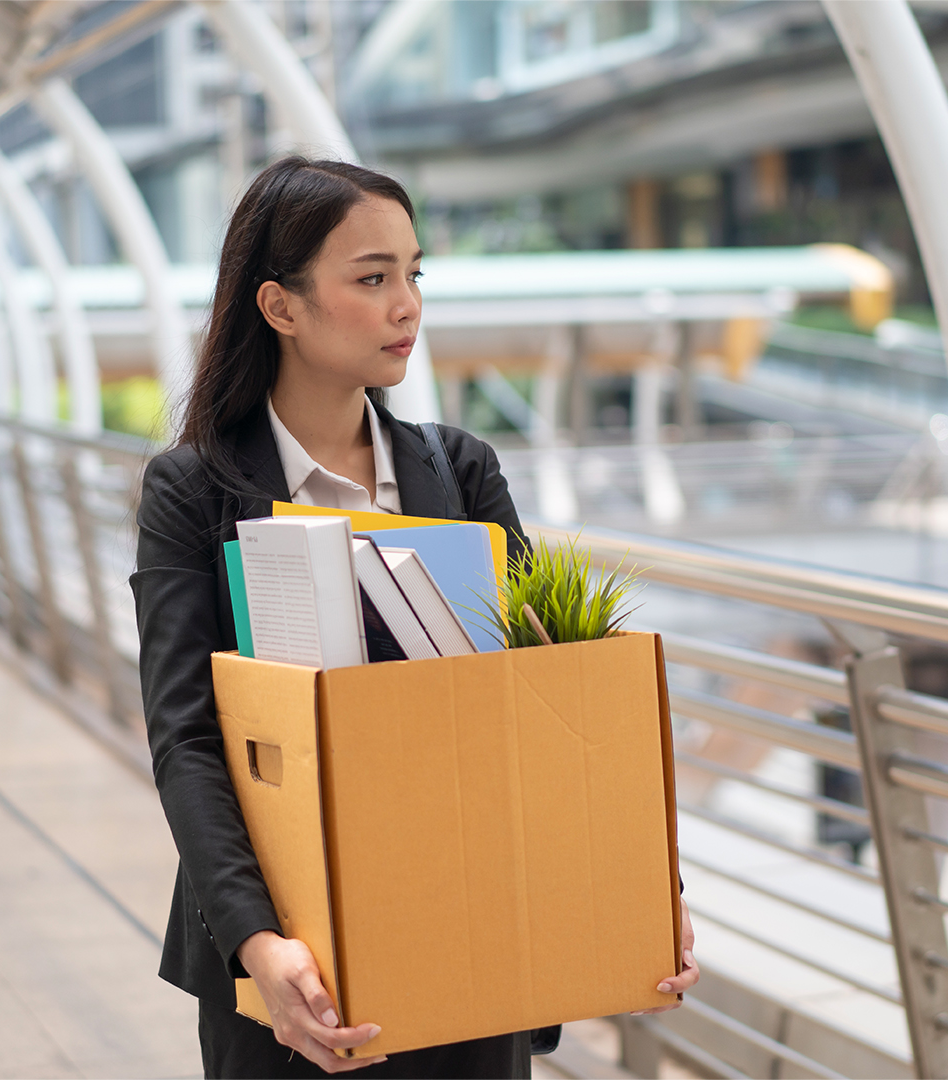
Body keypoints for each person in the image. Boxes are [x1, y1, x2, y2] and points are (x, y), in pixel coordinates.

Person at [129, 157, 700, 1079]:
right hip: (295, 970)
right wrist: (260, 945)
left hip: (474, 939)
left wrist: (643, 883)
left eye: (413, 273)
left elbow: (546, 702)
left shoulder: (459, 472)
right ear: (280, 306)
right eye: (372, 278)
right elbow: (188, 739)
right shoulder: (194, 493)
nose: (407, 305)